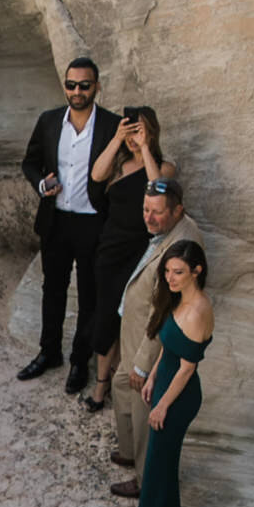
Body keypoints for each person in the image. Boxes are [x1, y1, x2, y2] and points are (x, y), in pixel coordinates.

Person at [18, 56, 120, 391]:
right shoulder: (49, 121)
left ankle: (79, 361)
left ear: (97, 87)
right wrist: (41, 185)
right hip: (56, 219)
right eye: (71, 84)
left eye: (84, 85)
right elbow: (29, 162)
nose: (76, 91)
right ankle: (49, 353)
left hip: (93, 222)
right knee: (53, 289)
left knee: (89, 295)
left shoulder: (110, 125)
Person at [110, 174, 205, 497]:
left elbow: (164, 309)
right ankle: (128, 452)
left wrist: (142, 364)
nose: (148, 218)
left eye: (157, 212)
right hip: (134, 334)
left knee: (141, 409)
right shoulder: (168, 228)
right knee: (120, 387)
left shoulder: (182, 247)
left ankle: (143, 479)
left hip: (147, 345)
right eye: (145, 209)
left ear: (178, 211)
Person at [84, 105, 167, 411]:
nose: (134, 137)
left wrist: (145, 148)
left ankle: (126, 383)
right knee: (106, 315)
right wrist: (118, 139)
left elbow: (157, 189)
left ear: (153, 132)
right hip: (111, 251)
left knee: (132, 318)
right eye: (131, 130)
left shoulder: (163, 167)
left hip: (142, 254)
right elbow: (96, 174)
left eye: (140, 130)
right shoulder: (118, 167)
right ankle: (102, 383)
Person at [133, 241, 213, 507]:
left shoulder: (198, 312)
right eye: (167, 271)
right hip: (166, 383)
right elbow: (168, 348)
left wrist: (163, 405)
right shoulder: (178, 301)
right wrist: (152, 376)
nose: (171, 278)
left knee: (158, 465)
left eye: (178, 272)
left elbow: (186, 368)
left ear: (197, 271)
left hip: (179, 397)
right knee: (160, 463)